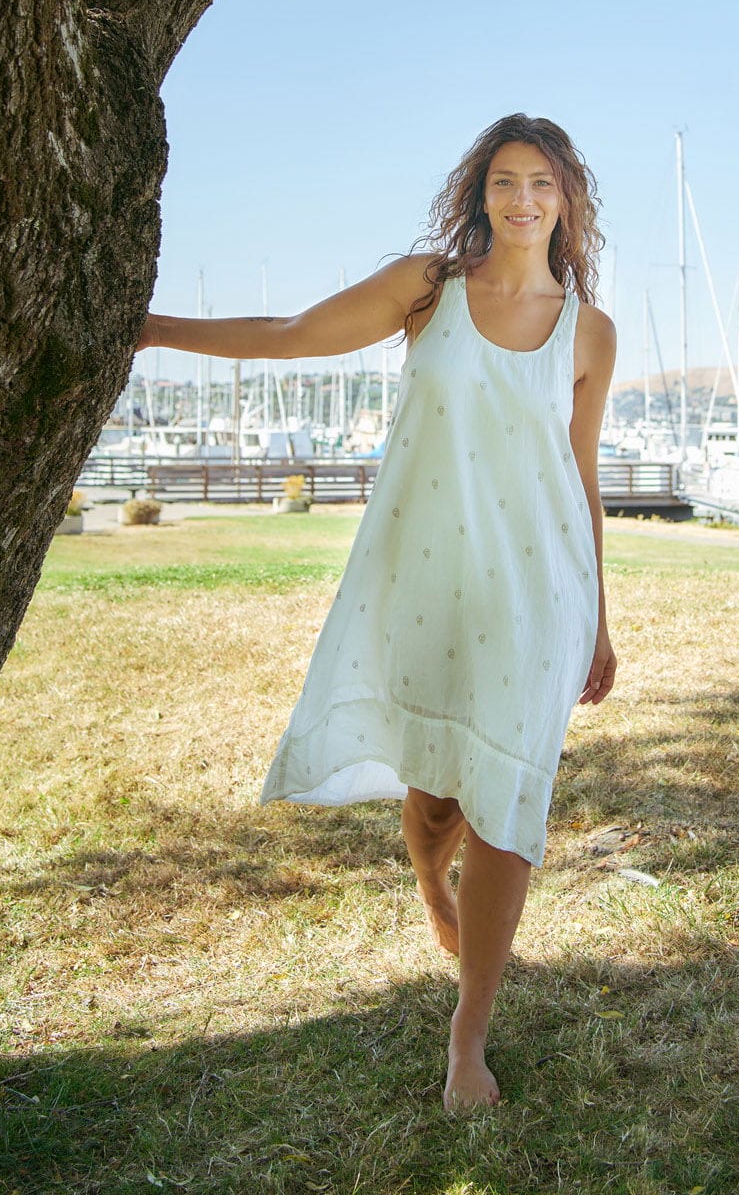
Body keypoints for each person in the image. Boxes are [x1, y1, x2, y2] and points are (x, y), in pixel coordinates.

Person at [137, 113, 617, 1111]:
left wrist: (602, 617)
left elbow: (582, 475)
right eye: (504, 180)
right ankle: (425, 870)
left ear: (568, 200)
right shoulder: (427, 292)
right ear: (480, 192)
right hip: (431, 576)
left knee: (506, 802)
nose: (521, 199)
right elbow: (292, 334)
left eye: (541, 183)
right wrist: (148, 327)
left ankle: (467, 1038)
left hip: (542, 594)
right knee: (438, 795)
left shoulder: (590, 333)